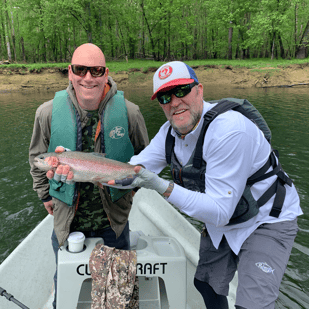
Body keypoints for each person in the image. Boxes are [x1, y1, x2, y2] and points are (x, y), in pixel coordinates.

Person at [108, 61, 303, 309]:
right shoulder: (168, 133)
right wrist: (74, 166)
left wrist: (162, 186)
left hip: (267, 219)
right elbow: (130, 171)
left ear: (199, 90)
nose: (174, 102)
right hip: (226, 216)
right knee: (206, 285)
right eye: (165, 96)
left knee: (252, 305)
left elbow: (220, 212)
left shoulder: (229, 130)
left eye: (181, 91)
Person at [29, 43, 149, 308]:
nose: (88, 78)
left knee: (118, 293)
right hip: (67, 219)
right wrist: (44, 195)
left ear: (105, 73)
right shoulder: (46, 113)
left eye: (95, 71)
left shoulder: (130, 113)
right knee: (66, 288)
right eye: (80, 69)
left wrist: (129, 188)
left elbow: (146, 160)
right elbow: (35, 157)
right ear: (70, 73)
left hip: (113, 222)